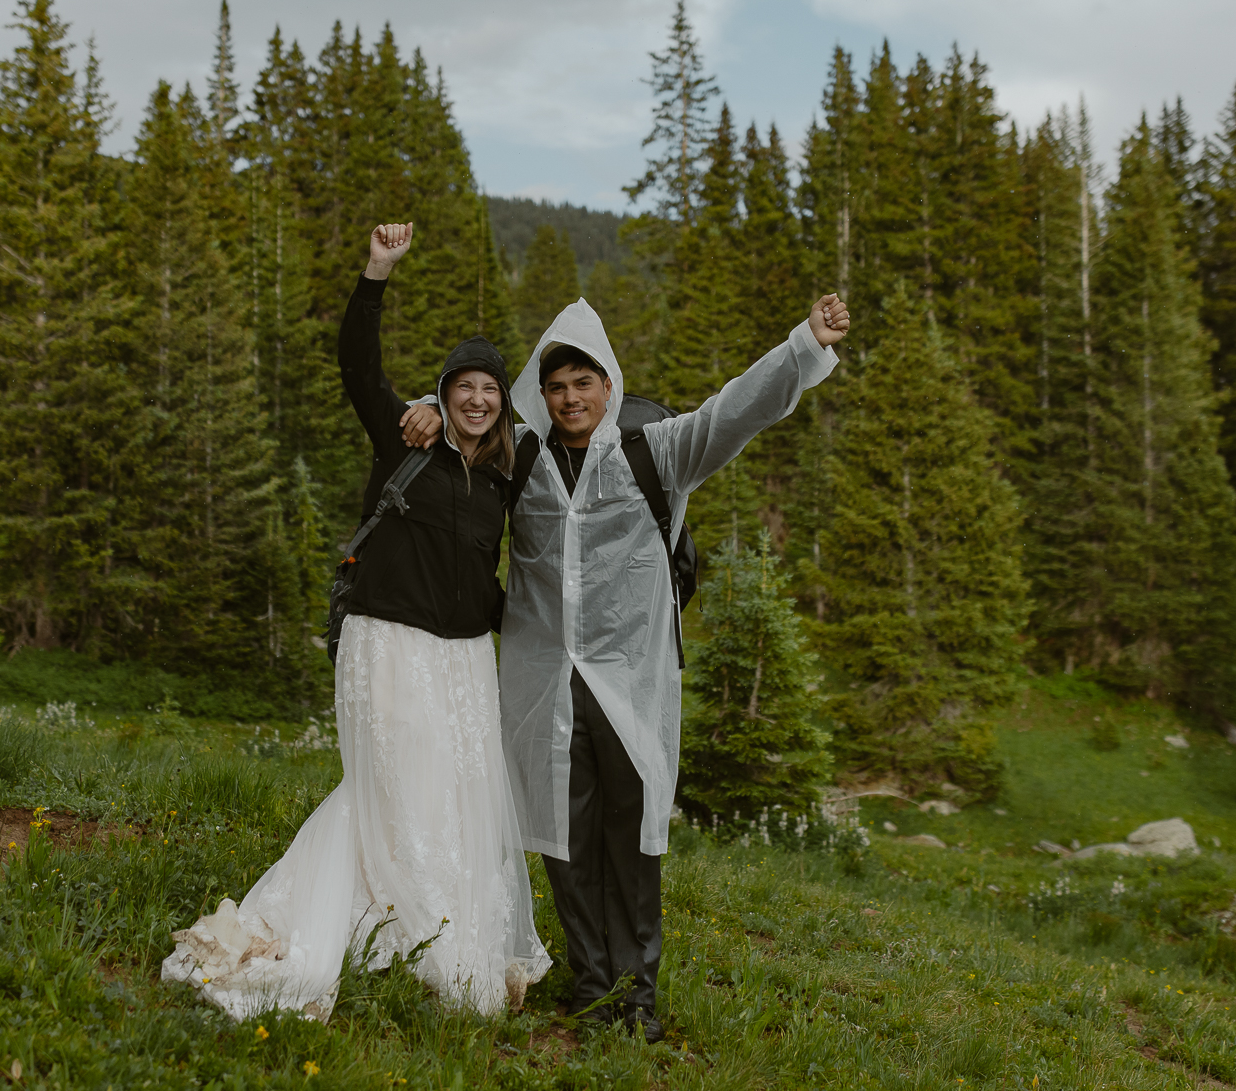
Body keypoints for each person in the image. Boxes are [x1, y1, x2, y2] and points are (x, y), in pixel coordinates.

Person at [402, 289, 850, 1040]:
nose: (571, 397)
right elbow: (466, 425)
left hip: (630, 684)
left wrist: (804, 343)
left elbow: (736, 409)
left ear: (608, 385)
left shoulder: (658, 450)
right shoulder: (525, 455)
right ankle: (589, 985)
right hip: (544, 682)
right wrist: (426, 401)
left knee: (633, 840)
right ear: (540, 396)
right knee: (564, 840)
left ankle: (635, 997)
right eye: (556, 385)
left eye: (584, 382)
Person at [162, 222, 550, 1021]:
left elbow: (572, 453)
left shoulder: (508, 475)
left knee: (452, 795)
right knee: (391, 787)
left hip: (468, 656)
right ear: (442, 395)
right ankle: (368, 928)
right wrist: (377, 273)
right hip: (391, 643)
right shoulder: (402, 438)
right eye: (462, 387)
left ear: (503, 403)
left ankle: (414, 927)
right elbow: (355, 365)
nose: (476, 400)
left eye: (490, 390)